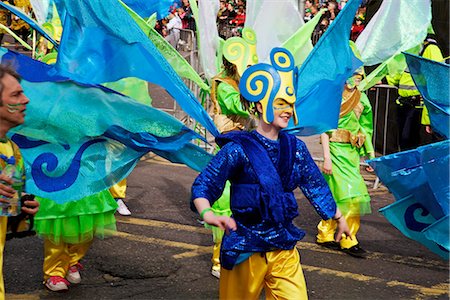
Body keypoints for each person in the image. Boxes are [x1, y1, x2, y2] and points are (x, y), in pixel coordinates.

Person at [191, 47, 350, 299]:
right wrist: (207, 213)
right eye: (281, 103)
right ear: (261, 105)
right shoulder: (237, 149)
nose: (288, 109)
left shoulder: (295, 148)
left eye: (290, 104)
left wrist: (338, 217)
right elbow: (204, 184)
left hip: (284, 249)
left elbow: (315, 185)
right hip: (246, 249)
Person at [206, 29, 258, 279]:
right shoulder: (225, 86)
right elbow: (238, 105)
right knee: (226, 204)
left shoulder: (240, 84)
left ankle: (241, 254)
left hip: (246, 153)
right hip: (228, 154)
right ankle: (220, 258)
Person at [317, 69, 374, 258]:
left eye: (359, 74)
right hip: (334, 152)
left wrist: (370, 154)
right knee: (349, 195)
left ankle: (326, 234)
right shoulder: (333, 97)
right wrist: (326, 158)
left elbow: (366, 128)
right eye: (352, 73)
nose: (355, 78)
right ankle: (348, 239)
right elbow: (325, 130)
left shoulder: (362, 99)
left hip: (352, 153)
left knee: (341, 195)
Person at [0, 64, 40, 298]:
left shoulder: (12, 150)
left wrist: (24, 205)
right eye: (16, 94)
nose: (26, 100)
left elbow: (8, 206)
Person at [35, 190, 117, 292]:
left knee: (87, 221)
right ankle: (54, 272)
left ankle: (71, 260)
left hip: (87, 183)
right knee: (57, 223)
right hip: (58, 183)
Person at [387, 33, 444, 151]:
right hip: (404, 104)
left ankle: (410, 169)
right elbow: (400, 74)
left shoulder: (430, 48)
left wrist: (430, 118)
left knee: (410, 143)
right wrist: (380, 80)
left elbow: (437, 80)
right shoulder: (411, 47)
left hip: (417, 106)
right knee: (404, 142)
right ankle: (406, 169)